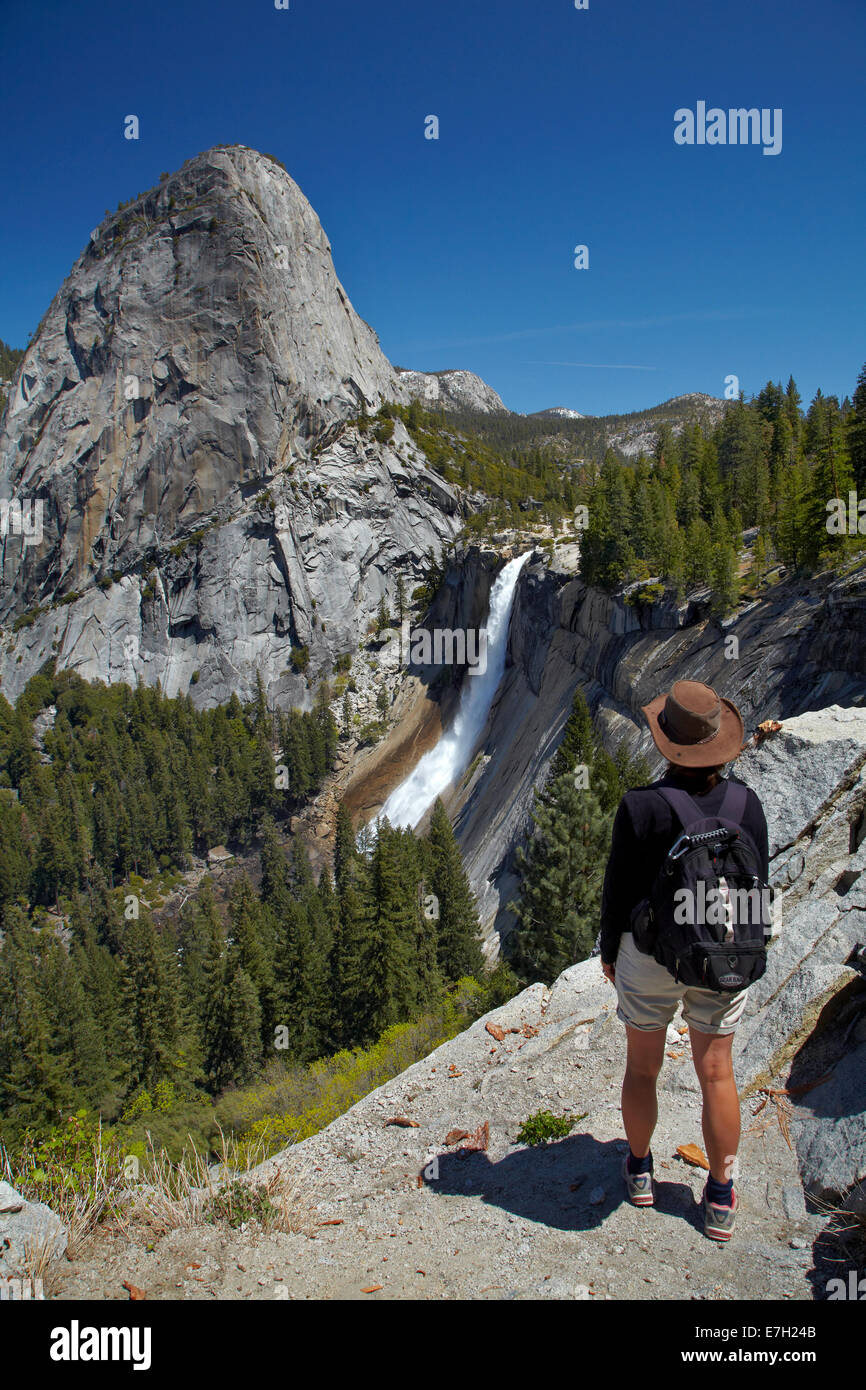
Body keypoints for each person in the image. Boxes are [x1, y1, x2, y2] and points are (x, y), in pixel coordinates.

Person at [599, 679, 769, 1241]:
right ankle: (719, 1196)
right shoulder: (749, 804)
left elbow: (619, 895)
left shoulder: (641, 807)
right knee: (717, 1073)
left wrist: (609, 955)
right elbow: (757, 885)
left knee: (643, 1067)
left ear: (666, 742)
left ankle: (641, 1171)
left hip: (650, 955)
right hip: (722, 951)